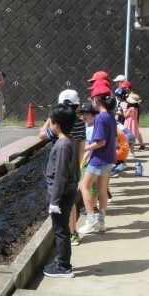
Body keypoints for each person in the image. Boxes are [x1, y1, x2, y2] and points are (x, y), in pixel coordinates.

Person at [39, 89, 86, 246]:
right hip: (74, 165)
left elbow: (41, 135)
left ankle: (70, 233)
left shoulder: (60, 127)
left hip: (61, 163)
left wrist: (52, 116)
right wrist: (78, 165)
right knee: (70, 202)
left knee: (64, 205)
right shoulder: (78, 123)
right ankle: (73, 231)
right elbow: (81, 145)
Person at [41, 104, 80, 278]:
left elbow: (60, 176)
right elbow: (75, 170)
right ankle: (60, 260)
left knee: (60, 229)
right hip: (68, 190)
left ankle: (64, 266)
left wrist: (55, 202)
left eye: (50, 120)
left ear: (56, 124)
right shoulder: (70, 139)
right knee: (60, 228)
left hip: (61, 194)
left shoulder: (63, 145)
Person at [78, 84, 117, 234]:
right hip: (109, 158)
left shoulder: (100, 118)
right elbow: (112, 139)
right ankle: (101, 222)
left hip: (99, 159)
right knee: (102, 190)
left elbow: (100, 142)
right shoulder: (110, 116)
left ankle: (91, 221)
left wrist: (82, 149)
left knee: (84, 187)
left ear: (95, 100)